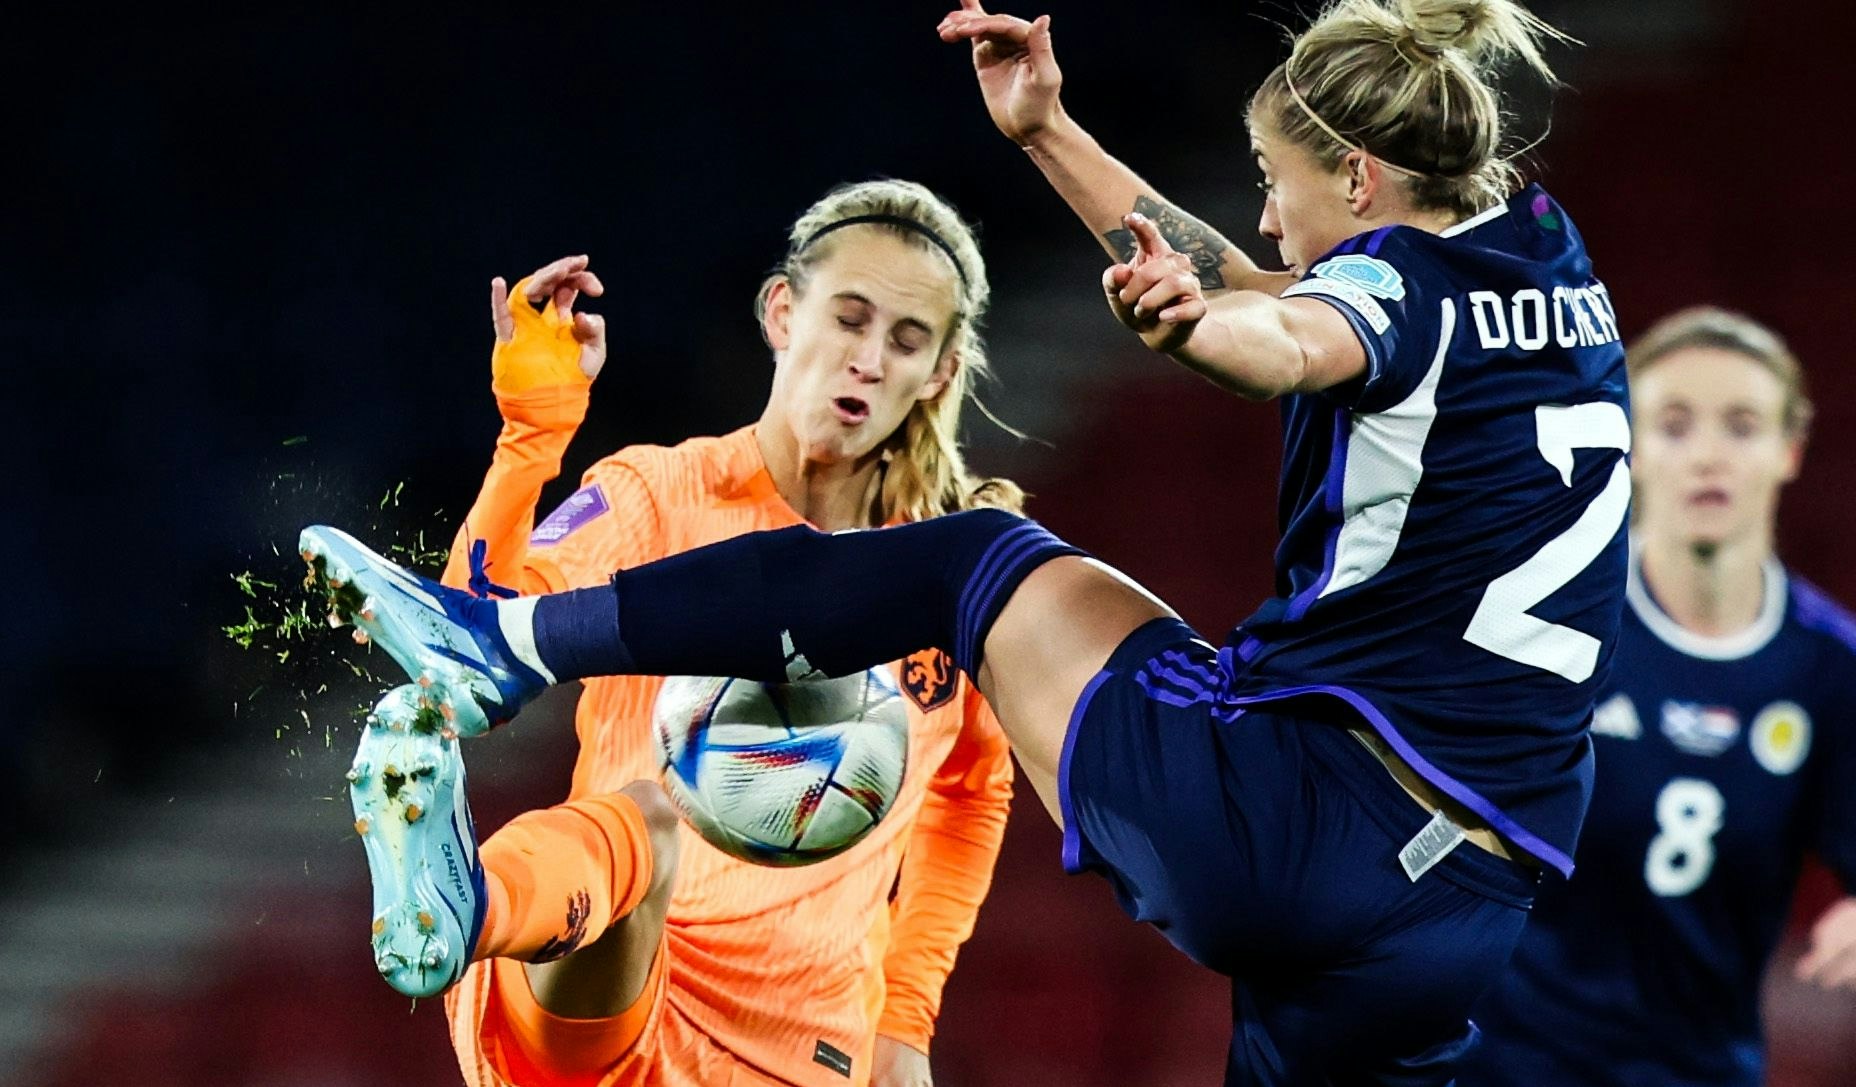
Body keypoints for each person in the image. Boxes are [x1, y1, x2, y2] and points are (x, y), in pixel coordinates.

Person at [301, 0, 1630, 1081]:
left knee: (973, 557)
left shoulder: (1384, 293)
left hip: (1291, 828)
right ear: (781, 312)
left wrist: (1192, 336)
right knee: (638, 817)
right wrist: (1050, 133)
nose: (1265, 221)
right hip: (1463, 908)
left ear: (1356, 173)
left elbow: (1280, 330)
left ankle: (502, 652)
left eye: (1277, 185)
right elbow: (1282, 289)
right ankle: (470, 882)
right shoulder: (1547, 263)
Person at [335, 179, 1020, 1087]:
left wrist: (906, 1016)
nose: (869, 360)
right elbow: (475, 631)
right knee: (649, 820)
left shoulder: (948, 572)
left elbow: (974, 788)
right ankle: (466, 909)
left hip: (803, 1047)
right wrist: (531, 437)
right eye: (849, 320)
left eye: (906, 340)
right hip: (607, 983)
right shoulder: (658, 494)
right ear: (782, 311)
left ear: (939, 370)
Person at [1459, 308, 1856, 1086]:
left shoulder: (1828, 666)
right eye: (1675, 426)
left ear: (1789, 450)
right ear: (1633, 448)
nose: (1709, 455)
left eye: (1742, 426)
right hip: (1506, 1062)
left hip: (1701, 1068)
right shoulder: (1546, 620)